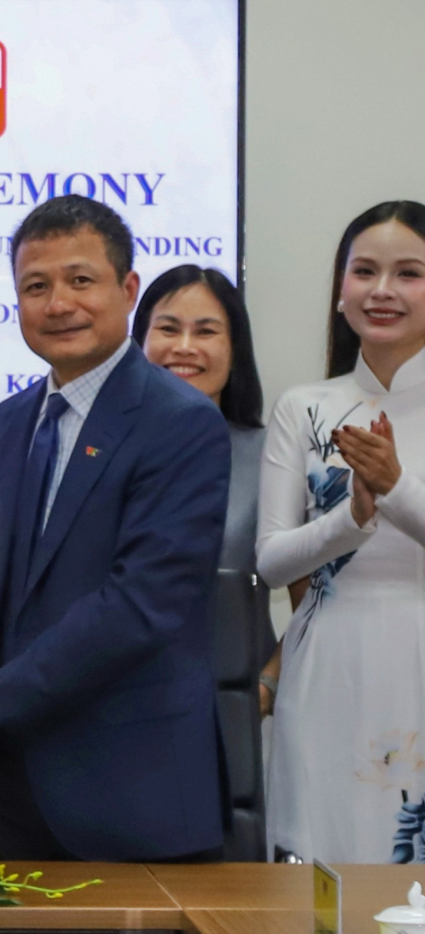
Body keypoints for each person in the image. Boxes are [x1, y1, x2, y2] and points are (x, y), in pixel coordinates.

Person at [0, 195, 231, 862]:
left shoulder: (182, 422)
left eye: (81, 280)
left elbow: (142, 603)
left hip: (124, 791)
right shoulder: (12, 417)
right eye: (36, 286)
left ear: (128, 289)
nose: (58, 303)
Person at [259, 200, 425, 864]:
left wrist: (395, 488)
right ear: (339, 289)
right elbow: (271, 562)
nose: (382, 291)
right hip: (327, 657)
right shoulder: (305, 406)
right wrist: (352, 518)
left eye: (408, 272)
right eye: (364, 271)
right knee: (321, 854)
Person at [132, 266, 274, 685]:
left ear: (235, 349)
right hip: (113, 702)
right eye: (168, 329)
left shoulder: (270, 454)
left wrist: (265, 689)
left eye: (207, 332)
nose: (185, 347)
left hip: (230, 701)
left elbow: (317, 594)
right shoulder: (100, 449)